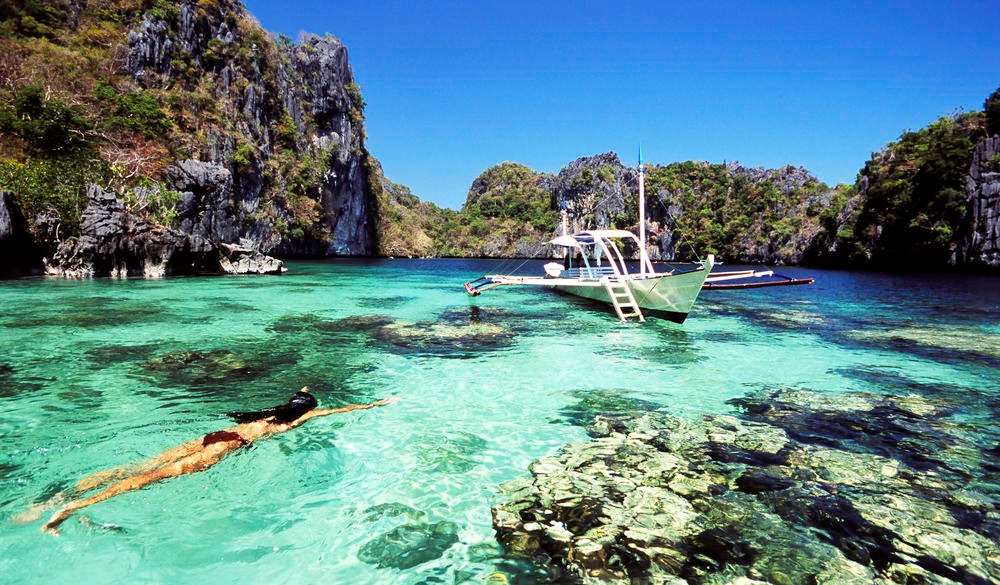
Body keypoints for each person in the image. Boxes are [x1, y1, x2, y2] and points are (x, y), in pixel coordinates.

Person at [22, 388, 397, 534]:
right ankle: (72, 508)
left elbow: (300, 393)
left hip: (210, 437)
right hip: (223, 449)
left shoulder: (272, 410)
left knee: (133, 468)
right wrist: (378, 404)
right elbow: (344, 409)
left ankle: (55, 498)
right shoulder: (300, 417)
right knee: (149, 478)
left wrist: (302, 390)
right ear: (303, 412)